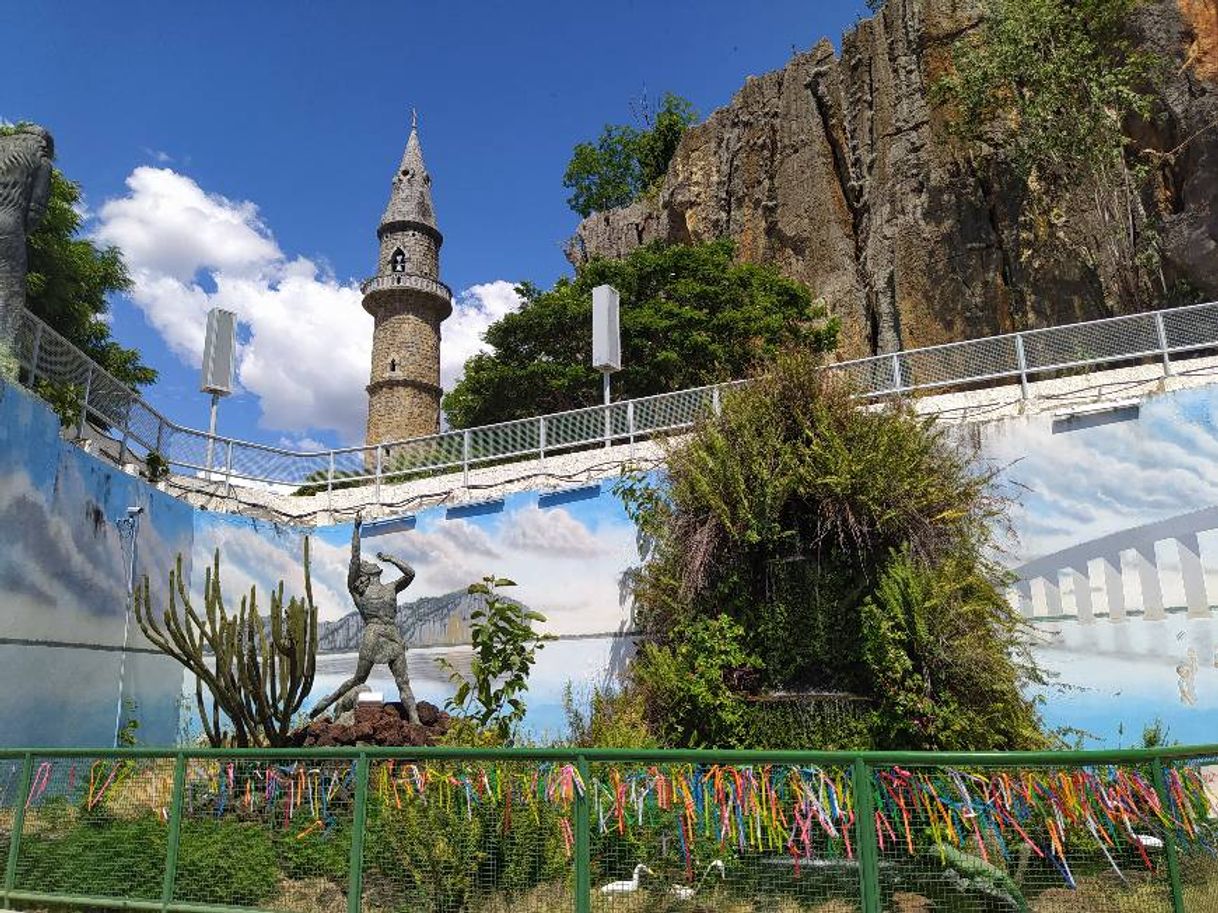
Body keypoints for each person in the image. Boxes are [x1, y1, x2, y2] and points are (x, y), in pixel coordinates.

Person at [309, 515, 420, 723]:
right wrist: (356, 530)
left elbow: (410, 573)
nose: (367, 562)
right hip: (373, 633)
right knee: (359, 679)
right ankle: (329, 701)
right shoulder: (359, 592)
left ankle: (415, 720)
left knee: (403, 682)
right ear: (365, 574)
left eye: (367, 562)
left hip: (392, 635)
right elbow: (354, 558)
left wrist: (391, 558)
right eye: (365, 563)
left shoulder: (390, 588)